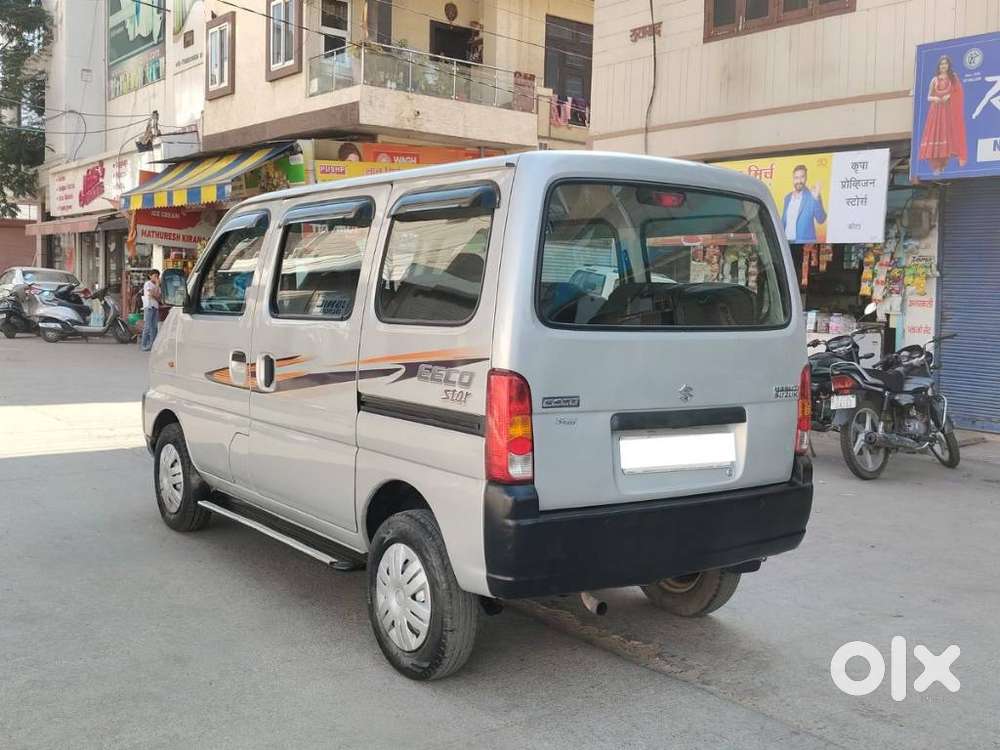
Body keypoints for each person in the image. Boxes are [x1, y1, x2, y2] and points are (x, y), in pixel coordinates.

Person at [918, 55, 968, 175]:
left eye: (945, 63)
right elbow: (928, 96)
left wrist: (949, 96)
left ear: (948, 65)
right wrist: (935, 98)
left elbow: (959, 92)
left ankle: (944, 164)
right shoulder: (934, 80)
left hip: (949, 111)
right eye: (941, 64)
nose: (943, 66)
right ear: (939, 66)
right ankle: (936, 166)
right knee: (936, 135)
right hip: (936, 111)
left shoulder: (953, 77)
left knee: (947, 134)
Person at [781, 165, 827, 243]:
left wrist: (816, 199)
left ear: (806, 178)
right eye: (796, 178)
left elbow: (821, 219)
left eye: (802, 177)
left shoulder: (812, 195)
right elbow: (784, 221)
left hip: (803, 244)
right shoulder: (787, 198)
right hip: (786, 242)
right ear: (793, 179)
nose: (799, 181)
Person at [140, 270, 161, 352]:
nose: (156, 278)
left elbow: (158, 297)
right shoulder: (148, 284)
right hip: (149, 307)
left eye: (157, 276)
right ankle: (144, 345)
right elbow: (151, 294)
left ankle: (152, 345)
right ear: (150, 276)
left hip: (155, 307)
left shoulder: (157, 286)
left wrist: (154, 294)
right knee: (147, 326)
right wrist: (157, 285)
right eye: (155, 276)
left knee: (154, 327)